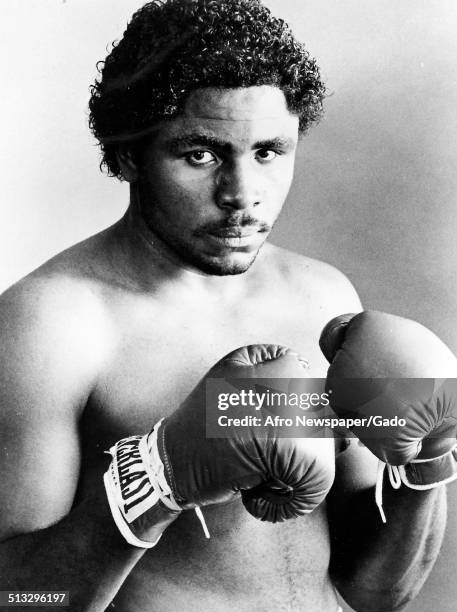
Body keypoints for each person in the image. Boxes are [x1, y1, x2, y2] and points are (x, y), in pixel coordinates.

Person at [0, 1, 451, 610]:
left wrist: (428, 465)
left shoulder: (323, 297)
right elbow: (20, 600)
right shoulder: (50, 325)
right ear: (129, 154)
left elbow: (373, 593)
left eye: (268, 152)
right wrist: (154, 483)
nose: (243, 196)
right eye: (201, 154)